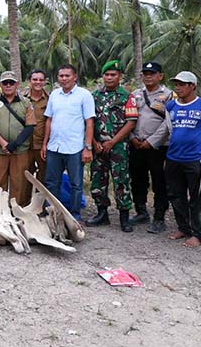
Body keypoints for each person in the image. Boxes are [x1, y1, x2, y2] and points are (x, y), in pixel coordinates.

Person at [164, 71, 201, 248]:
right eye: (176, 84)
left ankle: (198, 234)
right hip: (173, 157)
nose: (178, 88)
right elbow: (171, 131)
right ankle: (183, 228)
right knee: (176, 195)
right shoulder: (170, 106)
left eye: (182, 84)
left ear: (192, 86)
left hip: (195, 159)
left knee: (196, 198)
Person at [85, 60, 138, 232]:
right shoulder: (94, 97)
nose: (109, 78)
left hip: (118, 147)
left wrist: (112, 142)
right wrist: (94, 143)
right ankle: (102, 214)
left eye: (113, 75)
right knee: (98, 179)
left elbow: (131, 122)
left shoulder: (127, 97)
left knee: (121, 180)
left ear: (119, 76)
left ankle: (124, 217)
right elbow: (88, 121)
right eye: (106, 75)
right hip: (98, 146)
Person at [41, 64, 95, 220]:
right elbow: (49, 120)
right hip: (54, 147)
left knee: (76, 184)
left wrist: (88, 147)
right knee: (51, 182)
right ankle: (52, 213)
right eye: (61, 76)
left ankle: (74, 215)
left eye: (67, 76)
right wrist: (45, 144)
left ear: (74, 77)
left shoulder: (84, 95)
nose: (64, 79)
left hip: (74, 148)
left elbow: (89, 123)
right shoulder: (54, 95)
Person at [128, 61, 173, 233]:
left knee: (160, 182)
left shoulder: (168, 95)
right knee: (137, 180)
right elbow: (129, 118)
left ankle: (159, 217)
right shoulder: (135, 94)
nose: (148, 77)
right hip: (136, 144)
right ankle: (141, 212)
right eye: (145, 74)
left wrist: (152, 141)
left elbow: (167, 123)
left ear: (160, 76)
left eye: (152, 74)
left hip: (158, 147)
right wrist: (132, 137)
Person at [0, 71, 36, 206]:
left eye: (11, 83)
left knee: (19, 183)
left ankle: (16, 210)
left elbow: (30, 126)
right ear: (0, 85)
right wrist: (4, 144)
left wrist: (14, 145)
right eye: (5, 83)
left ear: (17, 84)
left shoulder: (26, 103)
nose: (8, 85)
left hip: (19, 151)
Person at [22, 69, 49, 183]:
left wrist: (45, 144)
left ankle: (40, 196)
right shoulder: (21, 98)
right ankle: (24, 196)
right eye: (35, 79)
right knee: (24, 177)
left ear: (45, 82)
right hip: (25, 145)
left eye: (41, 80)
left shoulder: (50, 99)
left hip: (43, 145)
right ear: (30, 81)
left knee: (44, 177)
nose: (38, 82)